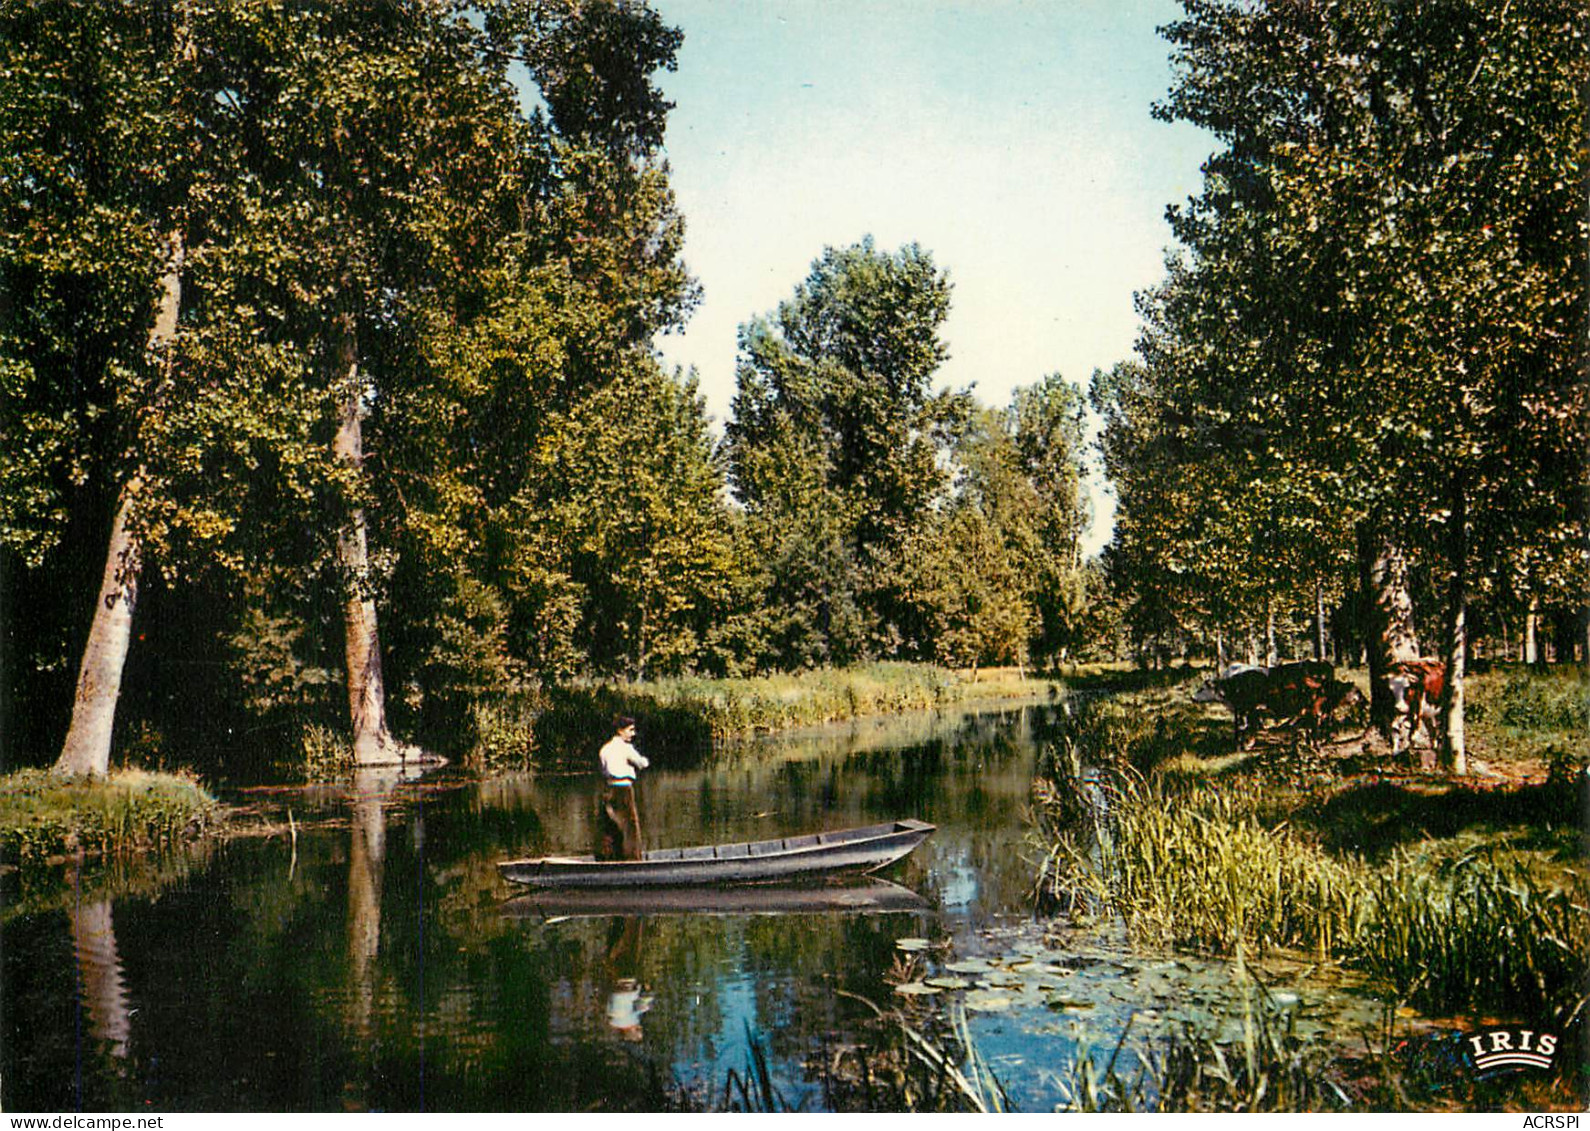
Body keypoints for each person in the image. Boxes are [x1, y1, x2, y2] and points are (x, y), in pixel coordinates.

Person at [595, 716, 648, 861]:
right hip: (623, 790)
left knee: (609, 827)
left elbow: (603, 769)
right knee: (629, 827)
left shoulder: (604, 749)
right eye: (630, 730)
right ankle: (632, 860)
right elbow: (641, 764)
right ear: (620, 731)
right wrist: (644, 761)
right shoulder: (626, 748)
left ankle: (606, 859)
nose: (633, 734)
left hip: (609, 789)